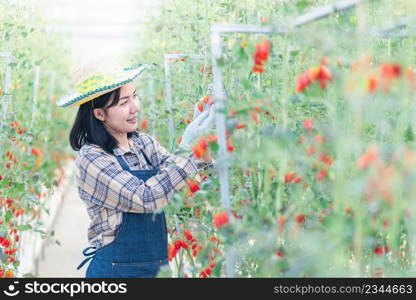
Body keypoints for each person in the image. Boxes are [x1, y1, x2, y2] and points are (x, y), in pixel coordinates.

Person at [56, 61, 216, 278]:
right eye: (124, 102)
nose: (135, 107)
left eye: (134, 96)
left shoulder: (144, 144)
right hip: (115, 274)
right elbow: (146, 198)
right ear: (99, 114)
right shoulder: (92, 158)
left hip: (157, 269)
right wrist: (187, 146)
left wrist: (201, 143)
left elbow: (187, 179)